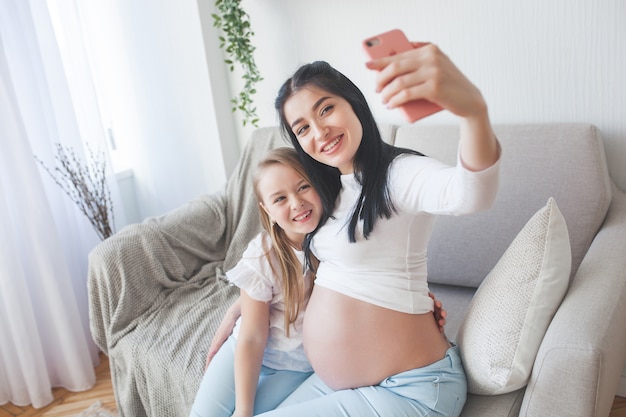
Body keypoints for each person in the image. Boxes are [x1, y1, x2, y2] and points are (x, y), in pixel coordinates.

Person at [250, 42, 500, 417]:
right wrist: (242, 304)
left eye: (327, 109)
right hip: (351, 382)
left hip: (412, 388)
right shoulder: (327, 190)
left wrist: (474, 112)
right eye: (303, 128)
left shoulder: (398, 174)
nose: (319, 132)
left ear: (354, 103)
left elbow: (470, 194)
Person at [189, 148, 322, 417]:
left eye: (304, 187)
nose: (296, 203)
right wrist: (243, 409)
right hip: (246, 348)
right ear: (268, 211)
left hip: (294, 365)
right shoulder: (262, 256)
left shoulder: (333, 240)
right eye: (280, 198)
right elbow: (252, 337)